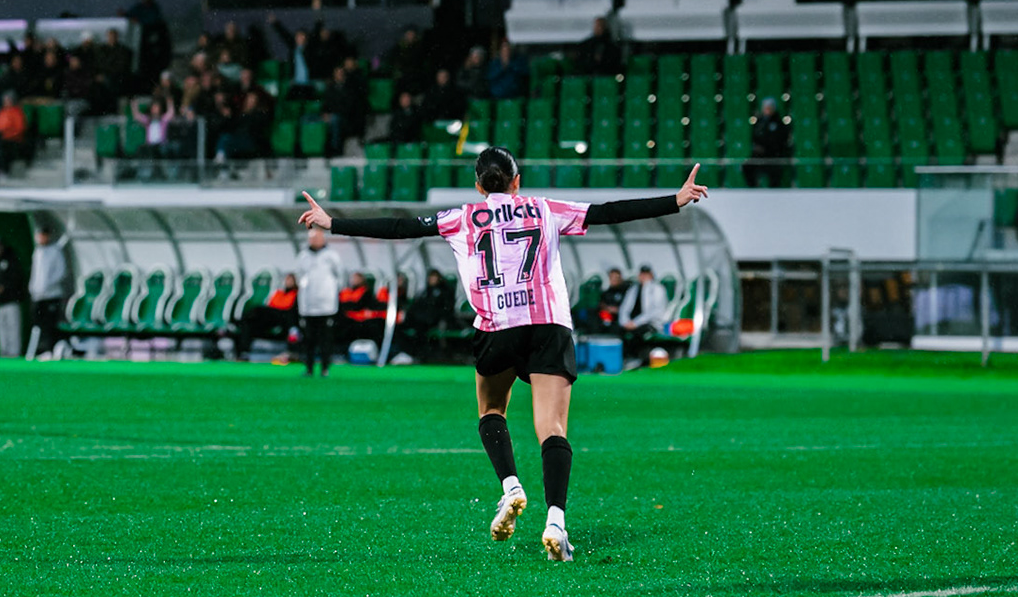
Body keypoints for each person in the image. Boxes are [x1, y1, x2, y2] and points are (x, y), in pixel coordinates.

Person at [299, 148, 708, 561]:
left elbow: (400, 227)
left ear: (478, 186)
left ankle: (511, 486)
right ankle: (556, 521)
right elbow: (608, 212)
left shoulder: (460, 217)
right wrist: (674, 200)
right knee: (552, 427)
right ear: (517, 180)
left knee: (492, 410)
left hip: (497, 326)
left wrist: (332, 222)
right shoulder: (545, 209)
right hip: (548, 325)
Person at [294, 226, 345, 376]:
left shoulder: (331, 256)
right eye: (312, 238)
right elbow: (299, 276)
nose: (315, 241)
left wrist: (331, 291)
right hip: (308, 305)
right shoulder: (303, 256)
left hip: (326, 305)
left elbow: (340, 276)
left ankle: (325, 368)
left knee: (325, 339)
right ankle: (309, 368)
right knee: (308, 339)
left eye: (317, 237)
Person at [28, 224, 73, 358]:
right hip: (38, 296)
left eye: (43, 235)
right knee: (39, 324)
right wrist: (33, 288)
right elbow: (35, 274)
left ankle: (53, 350)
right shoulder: (37, 252)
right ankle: (41, 350)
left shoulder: (55, 250)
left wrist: (46, 286)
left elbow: (61, 272)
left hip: (52, 295)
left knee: (51, 325)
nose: (40, 238)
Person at [617, 264, 673, 357]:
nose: (643, 277)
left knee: (638, 333)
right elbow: (625, 307)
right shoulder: (633, 289)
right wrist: (625, 322)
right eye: (642, 274)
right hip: (631, 322)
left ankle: (637, 358)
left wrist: (636, 323)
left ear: (651, 275)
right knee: (618, 331)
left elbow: (655, 311)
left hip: (651, 323)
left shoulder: (657, 289)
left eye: (646, 274)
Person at [0, 237, 28, 359]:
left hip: (12, 301)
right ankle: (4, 353)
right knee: (1, 331)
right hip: (1, 303)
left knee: (13, 330)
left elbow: (16, 280)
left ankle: (14, 355)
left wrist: (3, 288)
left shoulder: (12, 261)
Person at [244, 273, 300, 345]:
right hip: (271, 314)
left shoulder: (295, 294)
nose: (288, 282)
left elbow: (288, 307)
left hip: (282, 316)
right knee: (251, 317)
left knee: (257, 310)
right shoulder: (279, 293)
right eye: (287, 279)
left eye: (291, 280)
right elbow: (272, 304)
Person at [749, 98, 792, 187]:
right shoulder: (759, 122)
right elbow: (754, 137)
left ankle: (774, 192)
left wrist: (768, 147)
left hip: (774, 155)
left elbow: (781, 140)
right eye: (766, 108)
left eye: (769, 108)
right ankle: (753, 189)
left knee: (775, 173)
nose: (767, 110)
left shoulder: (779, 123)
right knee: (747, 166)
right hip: (760, 155)